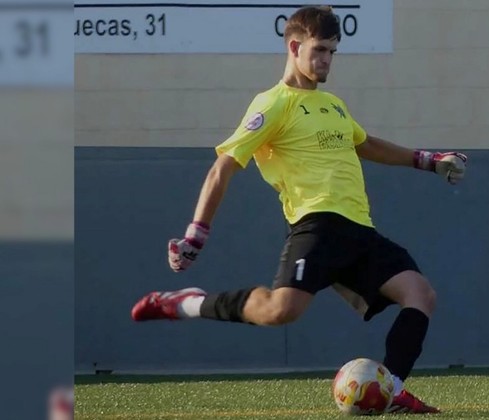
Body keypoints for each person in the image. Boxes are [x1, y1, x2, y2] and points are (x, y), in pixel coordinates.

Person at [131, 5, 467, 414]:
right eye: (319, 49)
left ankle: (391, 390)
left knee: (420, 294)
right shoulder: (274, 103)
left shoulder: (334, 105)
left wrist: (429, 161)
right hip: (316, 226)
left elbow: (365, 144)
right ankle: (186, 303)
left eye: (332, 52)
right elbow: (224, 166)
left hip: (360, 230)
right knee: (280, 311)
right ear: (294, 47)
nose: (327, 60)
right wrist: (195, 234)